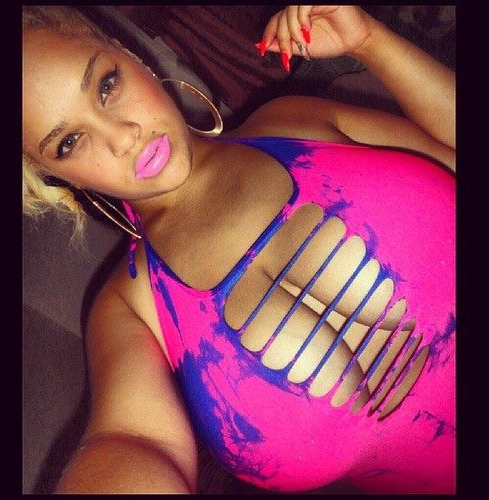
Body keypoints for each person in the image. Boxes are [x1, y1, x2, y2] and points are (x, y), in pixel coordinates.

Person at [22, 5, 455, 494]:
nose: (123, 137)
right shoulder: (128, 311)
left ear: (129, 56)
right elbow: (131, 442)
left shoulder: (294, 119)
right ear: (54, 176)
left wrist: (369, 41)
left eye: (106, 85)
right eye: (69, 142)